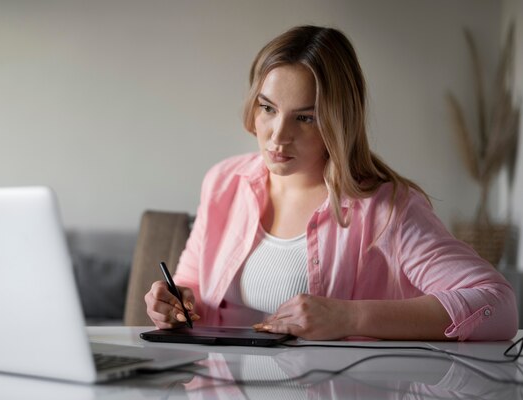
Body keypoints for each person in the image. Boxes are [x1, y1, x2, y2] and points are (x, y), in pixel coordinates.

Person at [144, 25, 518, 341]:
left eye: (305, 118)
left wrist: (349, 318)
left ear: (339, 122)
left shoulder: (386, 208)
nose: (277, 137)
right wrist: (175, 302)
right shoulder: (225, 181)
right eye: (268, 108)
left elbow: (497, 305)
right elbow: (190, 279)